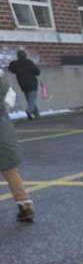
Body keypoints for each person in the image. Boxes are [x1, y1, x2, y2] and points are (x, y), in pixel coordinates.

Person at [0, 71, 34, 221]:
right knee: (11, 171)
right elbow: (9, 101)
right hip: (3, 128)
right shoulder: (3, 82)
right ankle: (24, 205)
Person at [7, 49, 41, 119]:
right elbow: (37, 71)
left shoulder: (15, 64)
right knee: (32, 99)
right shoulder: (28, 62)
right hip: (32, 83)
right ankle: (29, 111)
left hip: (22, 83)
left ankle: (36, 113)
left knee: (29, 99)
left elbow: (11, 68)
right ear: (25, 55)